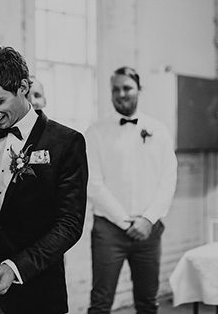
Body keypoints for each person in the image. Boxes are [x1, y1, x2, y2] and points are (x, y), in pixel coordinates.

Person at [0, 46, 88, 314]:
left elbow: (69, 224)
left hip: (38, 289)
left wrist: (15, 268)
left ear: (22, 87)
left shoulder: (66, 142)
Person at [86, 66, 177, 314]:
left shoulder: (159, 130)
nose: (121, 94)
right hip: (108, 230)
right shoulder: (95, 132)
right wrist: (125, 222)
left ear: (139, 89)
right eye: (115, 89)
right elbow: (93, 183)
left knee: (148, 302)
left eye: (127, 88)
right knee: (100, 303)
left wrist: (148, 219)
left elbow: (168, 179)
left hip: (149, 230)